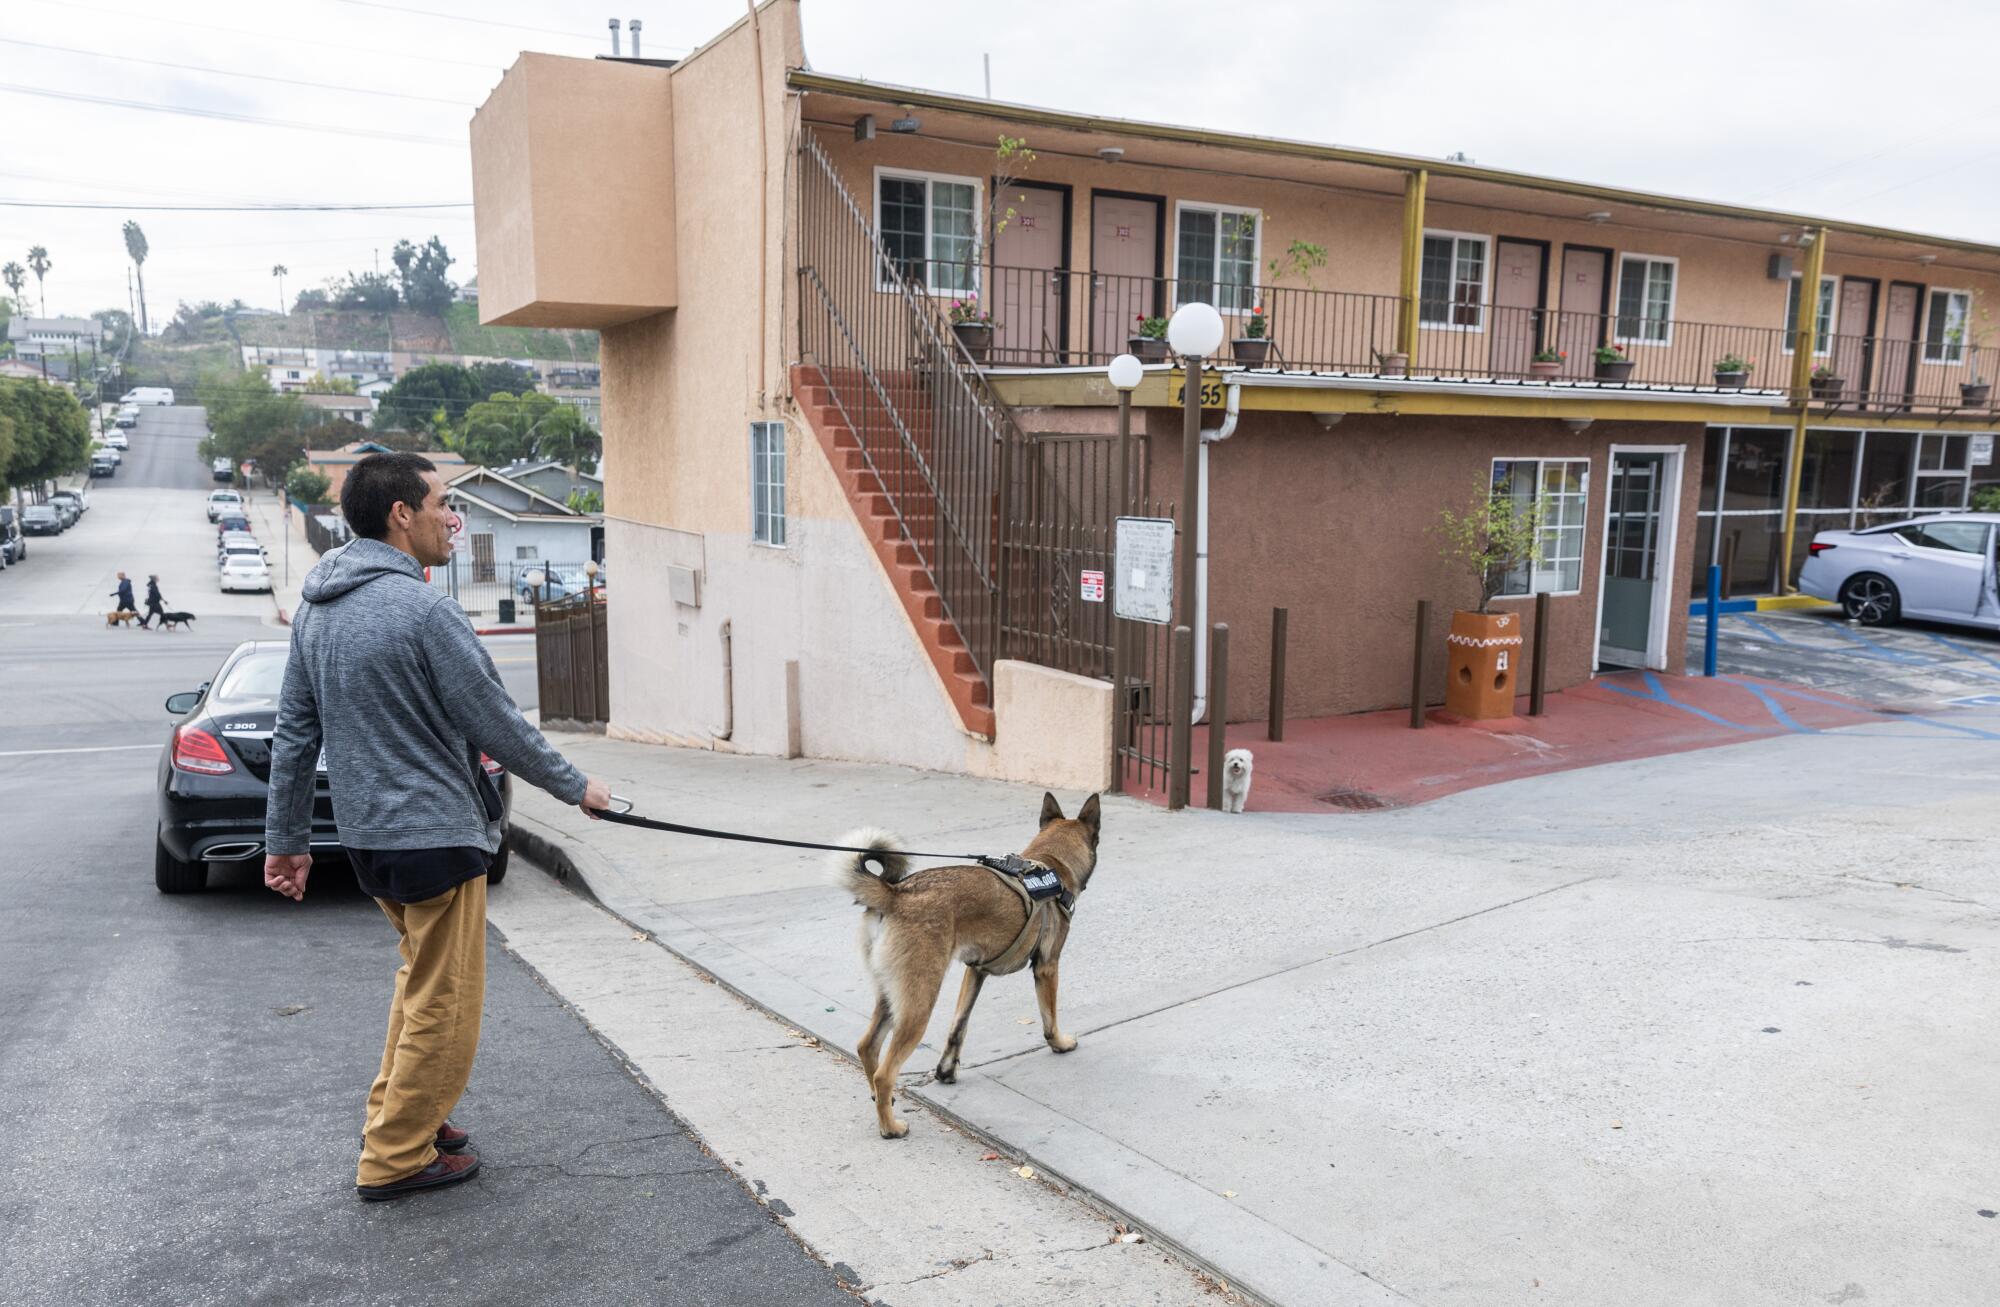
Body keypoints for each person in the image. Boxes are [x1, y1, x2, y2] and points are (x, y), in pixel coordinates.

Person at [262, 451, 611, 1203]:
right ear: (401, 514)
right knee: (444, 1000)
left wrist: (287, 840)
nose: (453, 519)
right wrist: (576, 786)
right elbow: (496, 721)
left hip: (367, 839)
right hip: (433, 834)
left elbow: (294, 733)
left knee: (418, 983)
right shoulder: (425, 610)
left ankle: (405, 1114)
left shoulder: (317, 606)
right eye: (442, 503)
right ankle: (395, 1154)